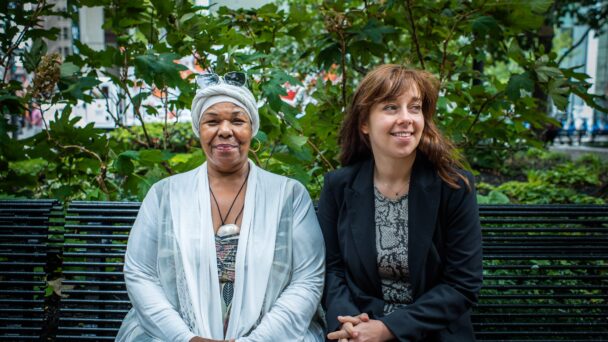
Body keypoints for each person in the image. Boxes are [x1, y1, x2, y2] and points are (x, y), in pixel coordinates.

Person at [116, 72, 326, 342]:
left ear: (252, 128)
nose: (225, 130)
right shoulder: (164, 195)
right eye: (212, 121)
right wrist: (186, 339)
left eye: (237, 120)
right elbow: (140, 274)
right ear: (198, 129)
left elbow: (307, 279)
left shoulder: (289, 195)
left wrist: (256, 341)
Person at [317, 64, 483, 342]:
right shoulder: (339, 187)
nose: (406, 118)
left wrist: (388, 329)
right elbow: (332, 270)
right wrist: (350, 324)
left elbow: (462, 284)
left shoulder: (453, 187)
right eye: (391, 107)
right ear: (364, 123)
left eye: (414, 108)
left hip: (434, 332)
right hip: (358, 328)